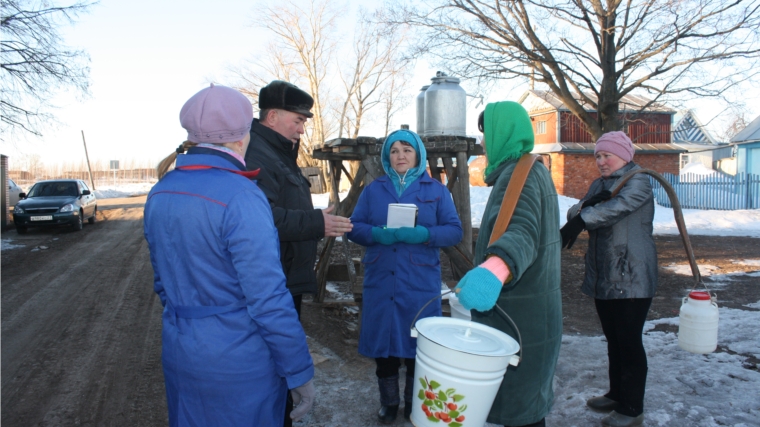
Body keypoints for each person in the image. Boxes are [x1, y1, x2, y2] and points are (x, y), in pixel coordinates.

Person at [144, 84, 315, 426]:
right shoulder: (241, 195)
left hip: (182, 352)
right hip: (239, 361)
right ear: (241, 137)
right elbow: (267, 298)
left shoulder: (160, 191)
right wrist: (298, 371)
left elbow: (163, 283)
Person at [243, 79, 351, 427]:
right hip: (273, 282)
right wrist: (316, 223)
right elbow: (263, 219)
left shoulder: (277, 151)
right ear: (272, 116)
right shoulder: (255, 153)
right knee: (273, 367)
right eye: (298, 120)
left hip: (286, 277)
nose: (303, 128)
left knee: (281, 366)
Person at [455, 101, 562, 427]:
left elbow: (522, 232)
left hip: (519, 324)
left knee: (521, 415)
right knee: (526, 411)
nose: (484, 142)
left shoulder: (520, 175)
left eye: (487, 133)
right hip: (531, 317)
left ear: (503, 133)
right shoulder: (532, 168)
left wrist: (493, 270)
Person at [346, 129, 463, 424]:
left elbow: (454, 230)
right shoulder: (374, 190)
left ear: (418, 155)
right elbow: (354, 226)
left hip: (418, 281)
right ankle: (388, 402)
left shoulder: (436, 190)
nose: (400, 155)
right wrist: (375, 234)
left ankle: (413, 402)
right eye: (394, 150)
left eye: (406, 150)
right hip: (381, 277)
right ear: (388, 156)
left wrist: (425, 233)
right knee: (382, 345)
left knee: (416, 344)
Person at [560, 131, 656, 427]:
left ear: (624, 155)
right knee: (614, 340)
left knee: (629, 341)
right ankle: (617, 393)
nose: (601, 161)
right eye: (597, 156)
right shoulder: (600, 184)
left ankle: (631, 408)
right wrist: (586, 207)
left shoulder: (638, 181)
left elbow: (617, 209)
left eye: (607, 155)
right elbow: (574, 209)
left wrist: (584, 216)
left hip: (631, 276)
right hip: (605, 275)